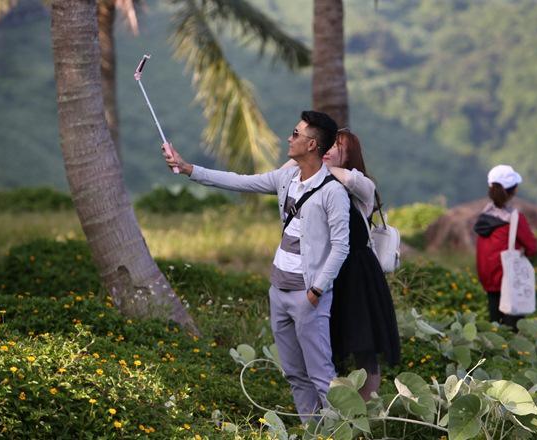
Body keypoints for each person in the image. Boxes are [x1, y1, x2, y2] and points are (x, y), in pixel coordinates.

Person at [162, 111, 350, 420]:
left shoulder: (333, 193)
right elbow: (240, 182)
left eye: (296, 134)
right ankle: (312, 431)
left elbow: (340, 247)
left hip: (308, 296)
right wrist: (187, 169)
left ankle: (340, 431)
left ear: (312, 144)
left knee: (321, 376)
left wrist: (316, 290)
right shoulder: (286, 177)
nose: (289, 139)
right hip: (279, 291)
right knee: (294, 374)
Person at [282, 128, 400, 400]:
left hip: (357, 275)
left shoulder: (360, 185)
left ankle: (367, 408)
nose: (327, 150)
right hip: (325, 271)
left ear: (349, 155)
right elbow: (285, 168)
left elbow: (351, 179)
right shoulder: (313, 183)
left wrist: (315, 163)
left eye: (336, 146)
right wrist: (305, 153)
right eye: (325, 145)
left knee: (363, 344)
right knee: (326, 342)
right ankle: (334, 408)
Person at [473, 164, 537, 330]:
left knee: (494, 324)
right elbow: (532, 246)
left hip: (487, 277)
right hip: (507, 278)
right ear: (513, 190)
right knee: (512, 328)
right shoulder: (514, 218)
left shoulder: (484, 215)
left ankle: (490, 355)